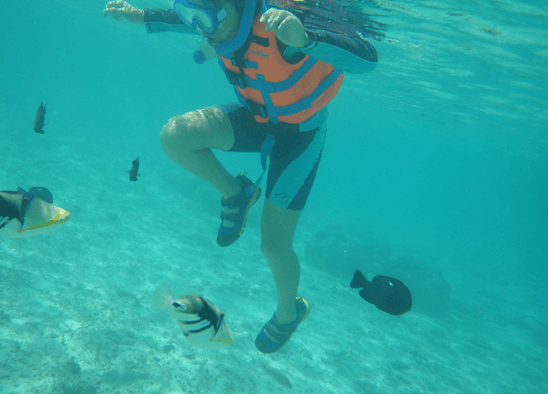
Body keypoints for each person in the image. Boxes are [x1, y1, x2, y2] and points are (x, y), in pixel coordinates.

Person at [104, 0, 378, 353]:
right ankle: (236, 192)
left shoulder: (280, 25)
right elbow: (180, 19)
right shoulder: (217, 19)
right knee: (175, 136)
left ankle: (287, 315)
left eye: (204, 16)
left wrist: (305, 38)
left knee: (273, 246)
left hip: (300, 137)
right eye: (191, 14)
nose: (199, 27)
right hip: (256, 120)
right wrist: (140, 16)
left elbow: (367, 60)